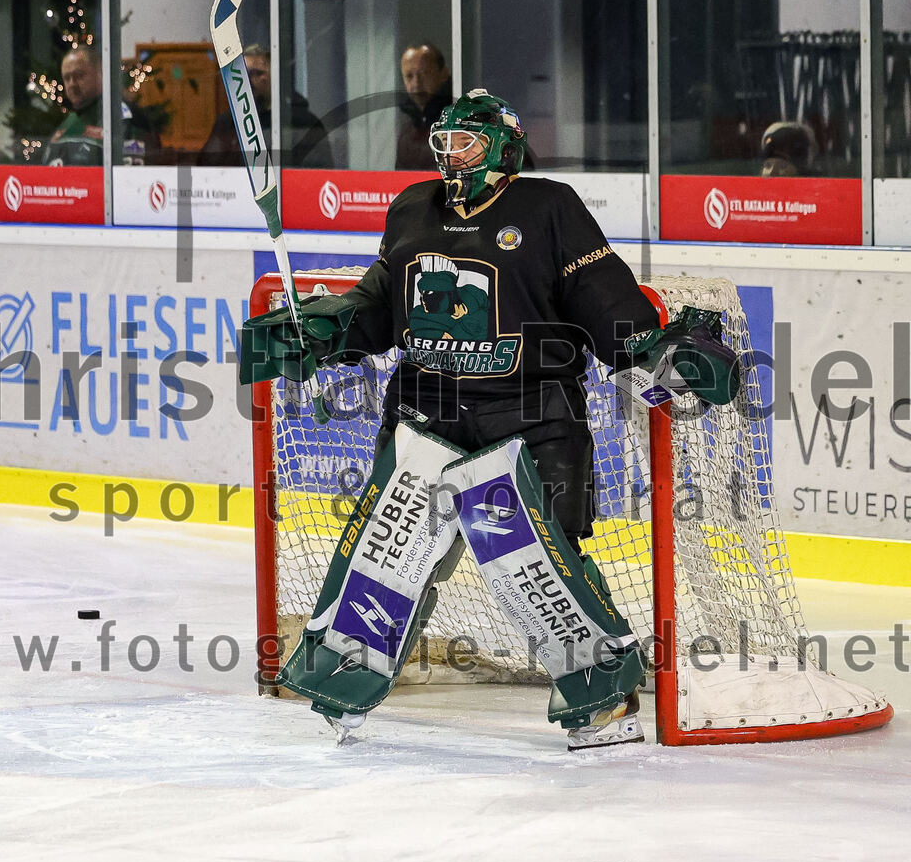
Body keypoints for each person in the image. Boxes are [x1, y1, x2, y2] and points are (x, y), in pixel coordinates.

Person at [241, 89, 738, 749]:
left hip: (530, 415)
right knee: (386, 553)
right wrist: (327, 330)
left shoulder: (548, 207)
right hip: (425, 409)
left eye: (466, 143)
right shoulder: (412, 207)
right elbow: (382, 303)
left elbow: (603, 301)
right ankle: (347, 682)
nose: (451, 156)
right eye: (443, 143)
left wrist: (654, 348)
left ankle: (602, 697)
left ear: (503, 146)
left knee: (537, 565)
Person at [197, 44, 331, 168]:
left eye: (257, 73)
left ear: (275, 76)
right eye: (242, 75)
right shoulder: (229, 122)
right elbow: (207, 169)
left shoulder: (302, 122)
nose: (248, 81)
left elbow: (318, 173)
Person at [43, 45, 158, 166]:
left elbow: (133, 173)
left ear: (100, 75)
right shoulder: (67, 123)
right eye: (67, 78)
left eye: (79, 75)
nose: (72, 84)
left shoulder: (123, 118)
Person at [395, 42, 452, 170]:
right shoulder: (405, 130)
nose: (416, 83)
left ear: (443, 73)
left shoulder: (458, 123)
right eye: (409, 76)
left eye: (424, 73)